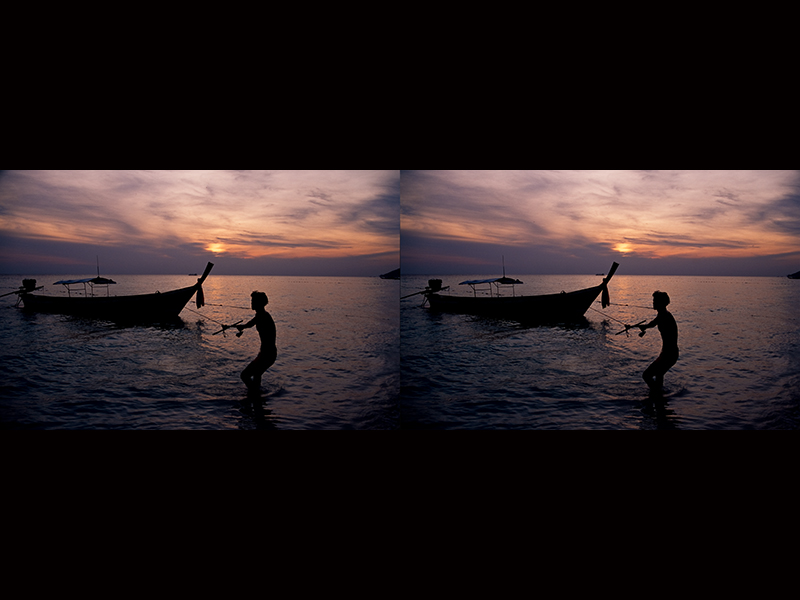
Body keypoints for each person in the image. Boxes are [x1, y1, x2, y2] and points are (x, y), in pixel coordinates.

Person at [638, 290, 679, 394]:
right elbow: (653, 323)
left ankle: (656, 394)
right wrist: (644, 326)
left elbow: (654, 323)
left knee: (646, 375)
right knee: (659, 374)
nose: (653, 303)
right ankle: (658, 396)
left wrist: (645, 326)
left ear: (661, 303)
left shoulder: (664, 316)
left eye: (655, 301)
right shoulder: (663, 314)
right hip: (670, 353)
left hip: (669, 354)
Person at [236, 291, 277, 393]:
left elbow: (251, 323)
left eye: (253, 301)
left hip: (267, 354)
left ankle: (254, 394)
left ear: (259, 303)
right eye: (251, 301)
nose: (251, 303)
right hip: (268, 353)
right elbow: (250, 324)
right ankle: (256, 396)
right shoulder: (261, 315)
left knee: (244, 375)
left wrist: (243, 326)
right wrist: (242, 326)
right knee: (257, 374)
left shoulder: (262, 316)